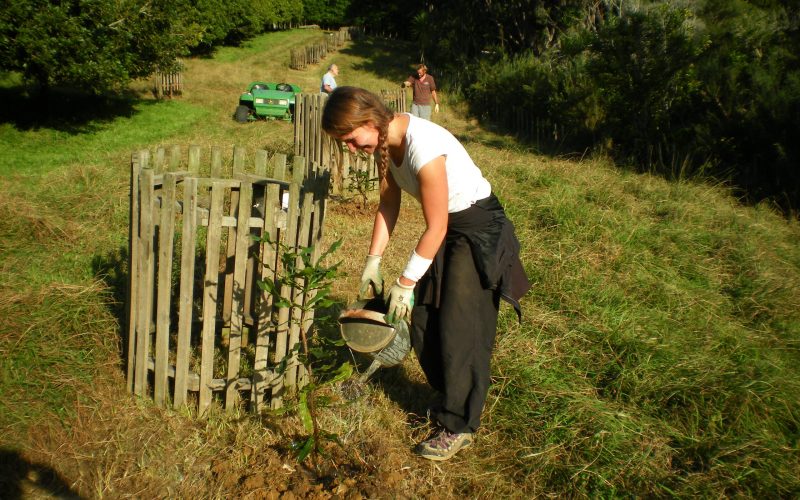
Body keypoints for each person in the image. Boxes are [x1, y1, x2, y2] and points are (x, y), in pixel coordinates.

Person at [322, 87, 529, 461]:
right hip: (449, 229)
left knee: (460, 325)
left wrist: (405, 281)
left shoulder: (424, 147)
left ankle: (459, 424)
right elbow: (388, 203)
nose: (350, 150)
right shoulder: (385, 146)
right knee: (422, 318)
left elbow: (436, 226)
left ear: (369, 121)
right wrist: (373, 259)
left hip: (477, 229)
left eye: (351, 140)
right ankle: (451, 391)